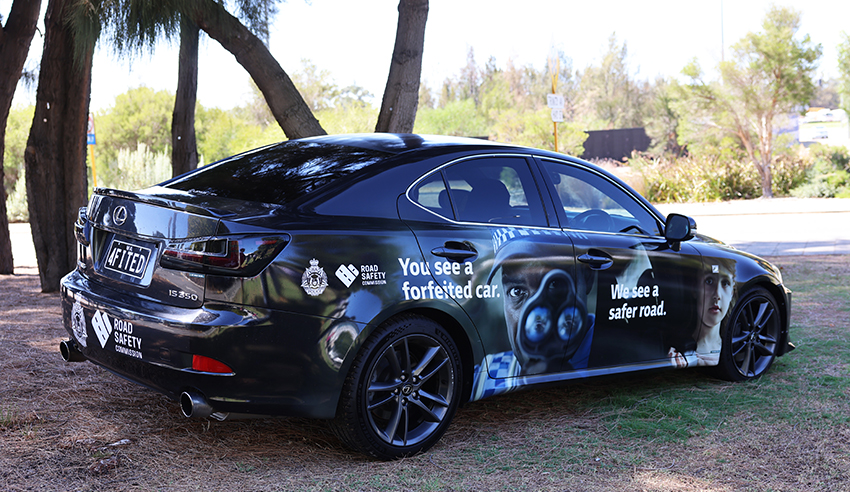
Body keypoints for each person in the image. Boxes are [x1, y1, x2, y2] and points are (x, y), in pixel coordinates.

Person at [668, 257, 736, 368]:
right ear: (694, 289)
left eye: (725, 283)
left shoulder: (737, 347)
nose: (717, 295)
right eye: (709, 281)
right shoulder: (674, 353)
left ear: (732, 293)